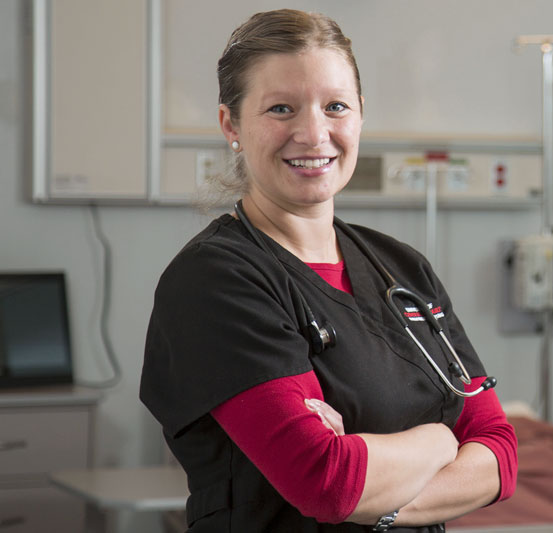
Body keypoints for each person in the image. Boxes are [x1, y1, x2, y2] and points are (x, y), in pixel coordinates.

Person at [140, 9, 517, 532]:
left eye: (335, 106)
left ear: (360, 113)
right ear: (231, 125)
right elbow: (327, 483)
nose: (313, 134)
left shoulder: (402, 269)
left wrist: (369, 482)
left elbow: (501, 453)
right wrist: (441, 439)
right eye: (280, 109)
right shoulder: (217, 280)